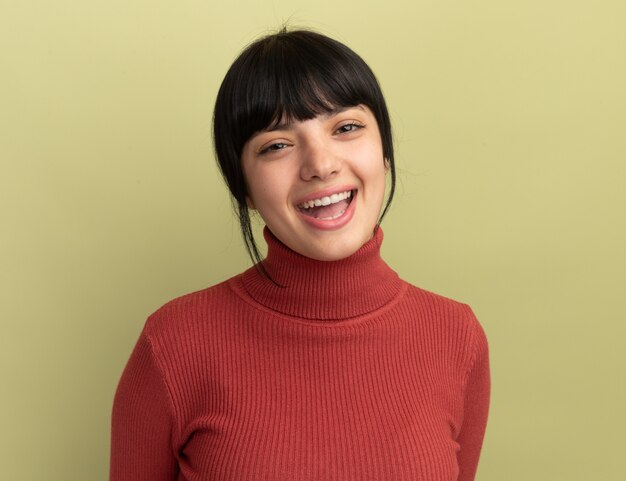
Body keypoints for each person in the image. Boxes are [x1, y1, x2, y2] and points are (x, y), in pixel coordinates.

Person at [110, 28, 490, 481]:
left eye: (346, 127)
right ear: (244, 189)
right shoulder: (172, 344)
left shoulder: (456, 336)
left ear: (385, 151)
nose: (320, 164)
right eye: (276, 146)